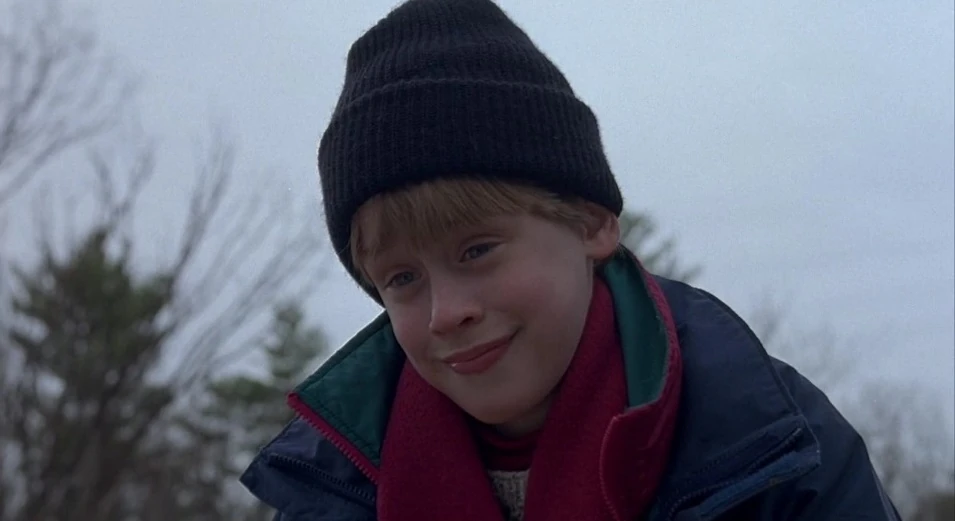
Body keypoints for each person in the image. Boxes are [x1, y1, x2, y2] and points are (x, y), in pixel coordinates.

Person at [240, 0, 900, 519]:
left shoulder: (770, 445)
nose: (445, 313)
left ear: (591, 223)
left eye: (476, 250)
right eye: (402, 278)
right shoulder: (331, 484)